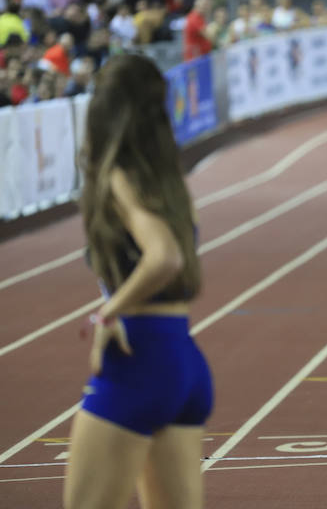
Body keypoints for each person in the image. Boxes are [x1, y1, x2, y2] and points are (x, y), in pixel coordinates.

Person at [64, 54, 213, 509]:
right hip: (184, 361)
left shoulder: (117, 177)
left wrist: (109, 311)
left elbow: (163, 257)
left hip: (138, 361)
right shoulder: (169, 182)